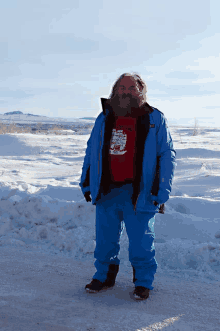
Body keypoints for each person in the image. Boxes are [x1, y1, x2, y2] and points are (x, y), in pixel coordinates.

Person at [79, 73, 176, 300]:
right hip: (108, 190)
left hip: (139, 193)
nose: (126, 91)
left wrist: (161, 191)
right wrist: (86, 182)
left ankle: (143, 282)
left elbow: (167, 155)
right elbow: (91, 151)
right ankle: (104, 276)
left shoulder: (155, 119)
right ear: (114, 90)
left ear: (141, 92)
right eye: (122, 87)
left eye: (132, 88)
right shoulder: (103, 118)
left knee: (142, 242)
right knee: (104, 240)